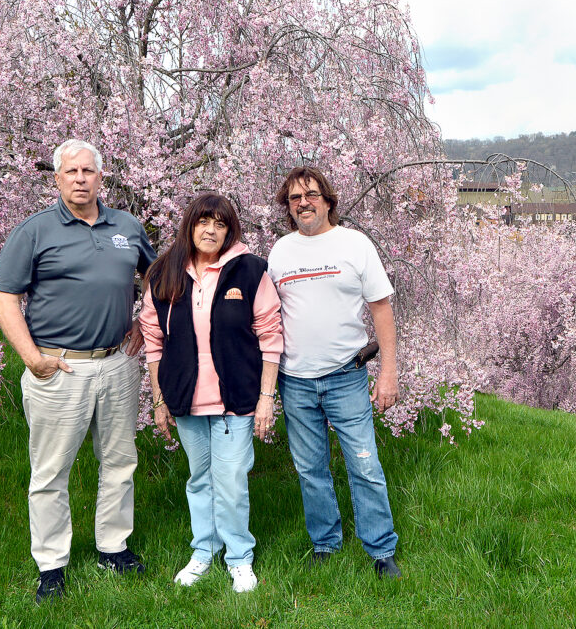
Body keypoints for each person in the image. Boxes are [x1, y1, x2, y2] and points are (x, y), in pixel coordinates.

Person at [0, 139, 156, 604]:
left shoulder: (126, 226)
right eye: (71, 172)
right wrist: (32, 358)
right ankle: (51, 565)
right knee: (50, 471)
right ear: (58, 179)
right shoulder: (35, 231)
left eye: (88, 171)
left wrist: (146, 325)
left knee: (120, 461)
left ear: (101, 176)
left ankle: (113, 546)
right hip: (58, 368)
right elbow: (5, 299)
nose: (80, 179)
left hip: (116, 364)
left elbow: (158, 280)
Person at [140, 193, 282, 593]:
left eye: (220, 224)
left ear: (229, 230)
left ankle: (239, 558)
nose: (211, 230)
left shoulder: (251, 271)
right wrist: (158, 398)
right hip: (185, 395)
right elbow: (153, 339)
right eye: (204, 221)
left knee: (232, 479)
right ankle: (203, 551)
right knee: (199, 478)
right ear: (190, 225)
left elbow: (271, 334)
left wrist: (266, 398)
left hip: (235, 397)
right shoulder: (165, 272)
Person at [267, 166, 402, 578]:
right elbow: (268, 317)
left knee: (364, 464)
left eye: (311, 194)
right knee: (310, 469)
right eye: (294, 198)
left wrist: (389, 372)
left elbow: (381, 308)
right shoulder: (280, 252)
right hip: (295, 381)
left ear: (328, 200)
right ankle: (325, 543)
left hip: (346, 376)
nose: (303, 203)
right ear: (288, 208)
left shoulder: (354, 244)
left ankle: (381, 550)